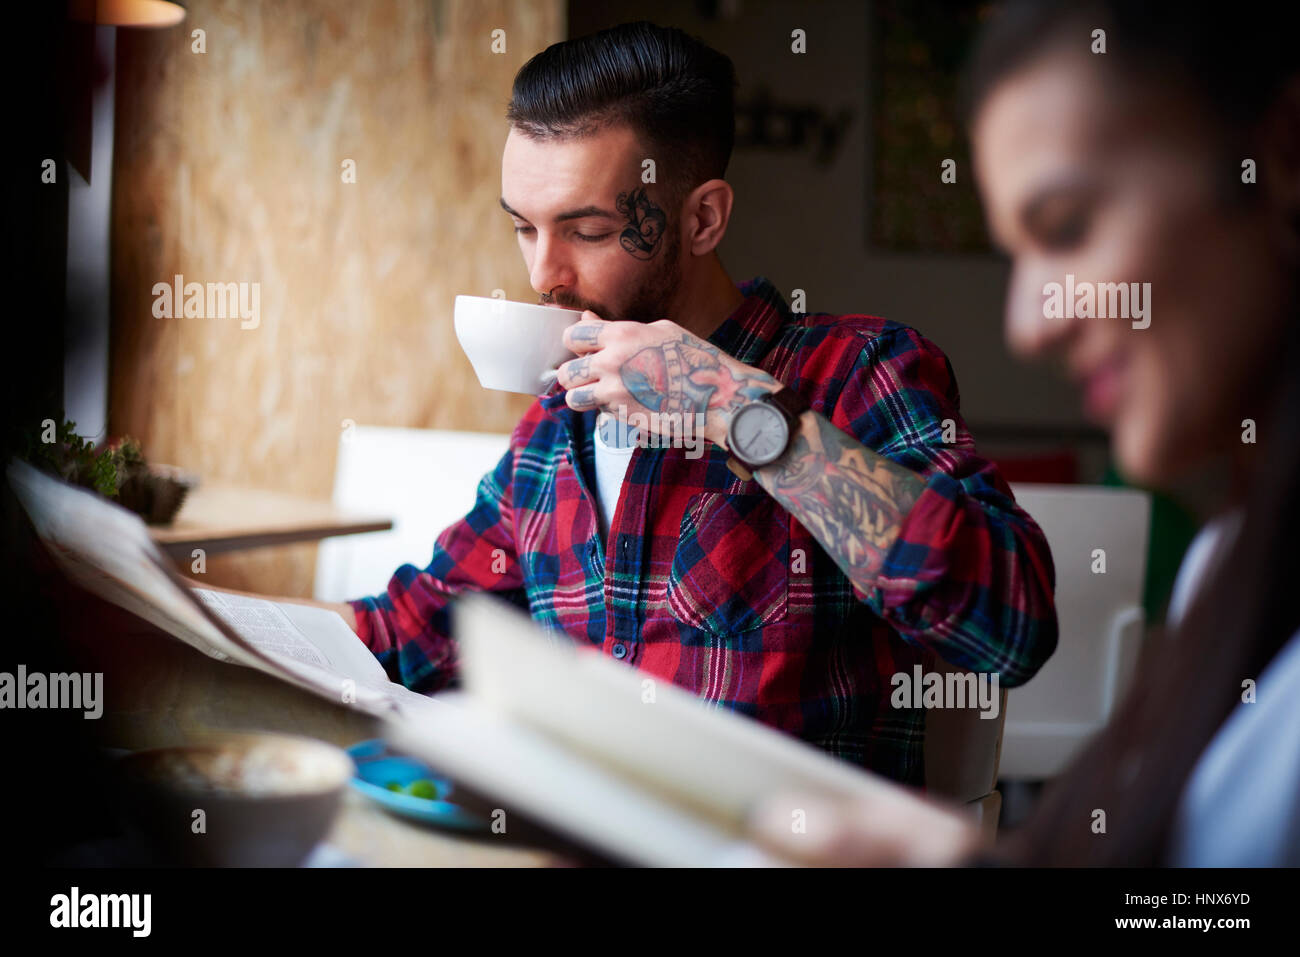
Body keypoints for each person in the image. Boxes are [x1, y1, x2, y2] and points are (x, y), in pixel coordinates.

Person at [253, 21, 1058, 786]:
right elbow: (409, 632)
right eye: (523, 228)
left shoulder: (859, 369)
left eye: (586, 230)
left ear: (702, 217)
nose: (543, 274)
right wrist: (196, 616)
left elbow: (1010, 624)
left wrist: (737, 411)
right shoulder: (551, 431)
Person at [749, 0, 1300, 865]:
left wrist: (748, 424)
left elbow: (1006, 623)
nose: (1028, 324)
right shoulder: (1225, 566)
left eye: (1069, 228)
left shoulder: (860, 369)